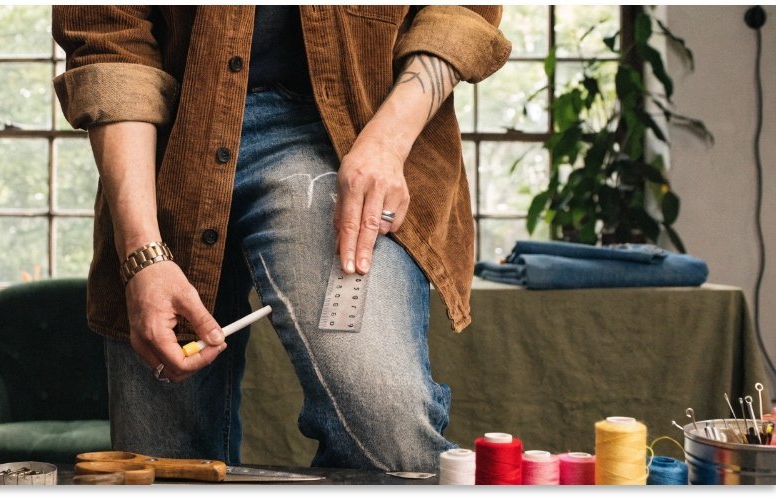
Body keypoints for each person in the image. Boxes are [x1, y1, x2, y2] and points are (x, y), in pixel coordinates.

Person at [52, 5, 510, 472]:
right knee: (160, 465)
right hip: (163, 145)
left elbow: (461, 10)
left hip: (342, 138)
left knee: (386, 426)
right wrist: (141, 252)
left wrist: (387, 142)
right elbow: (108, 37)